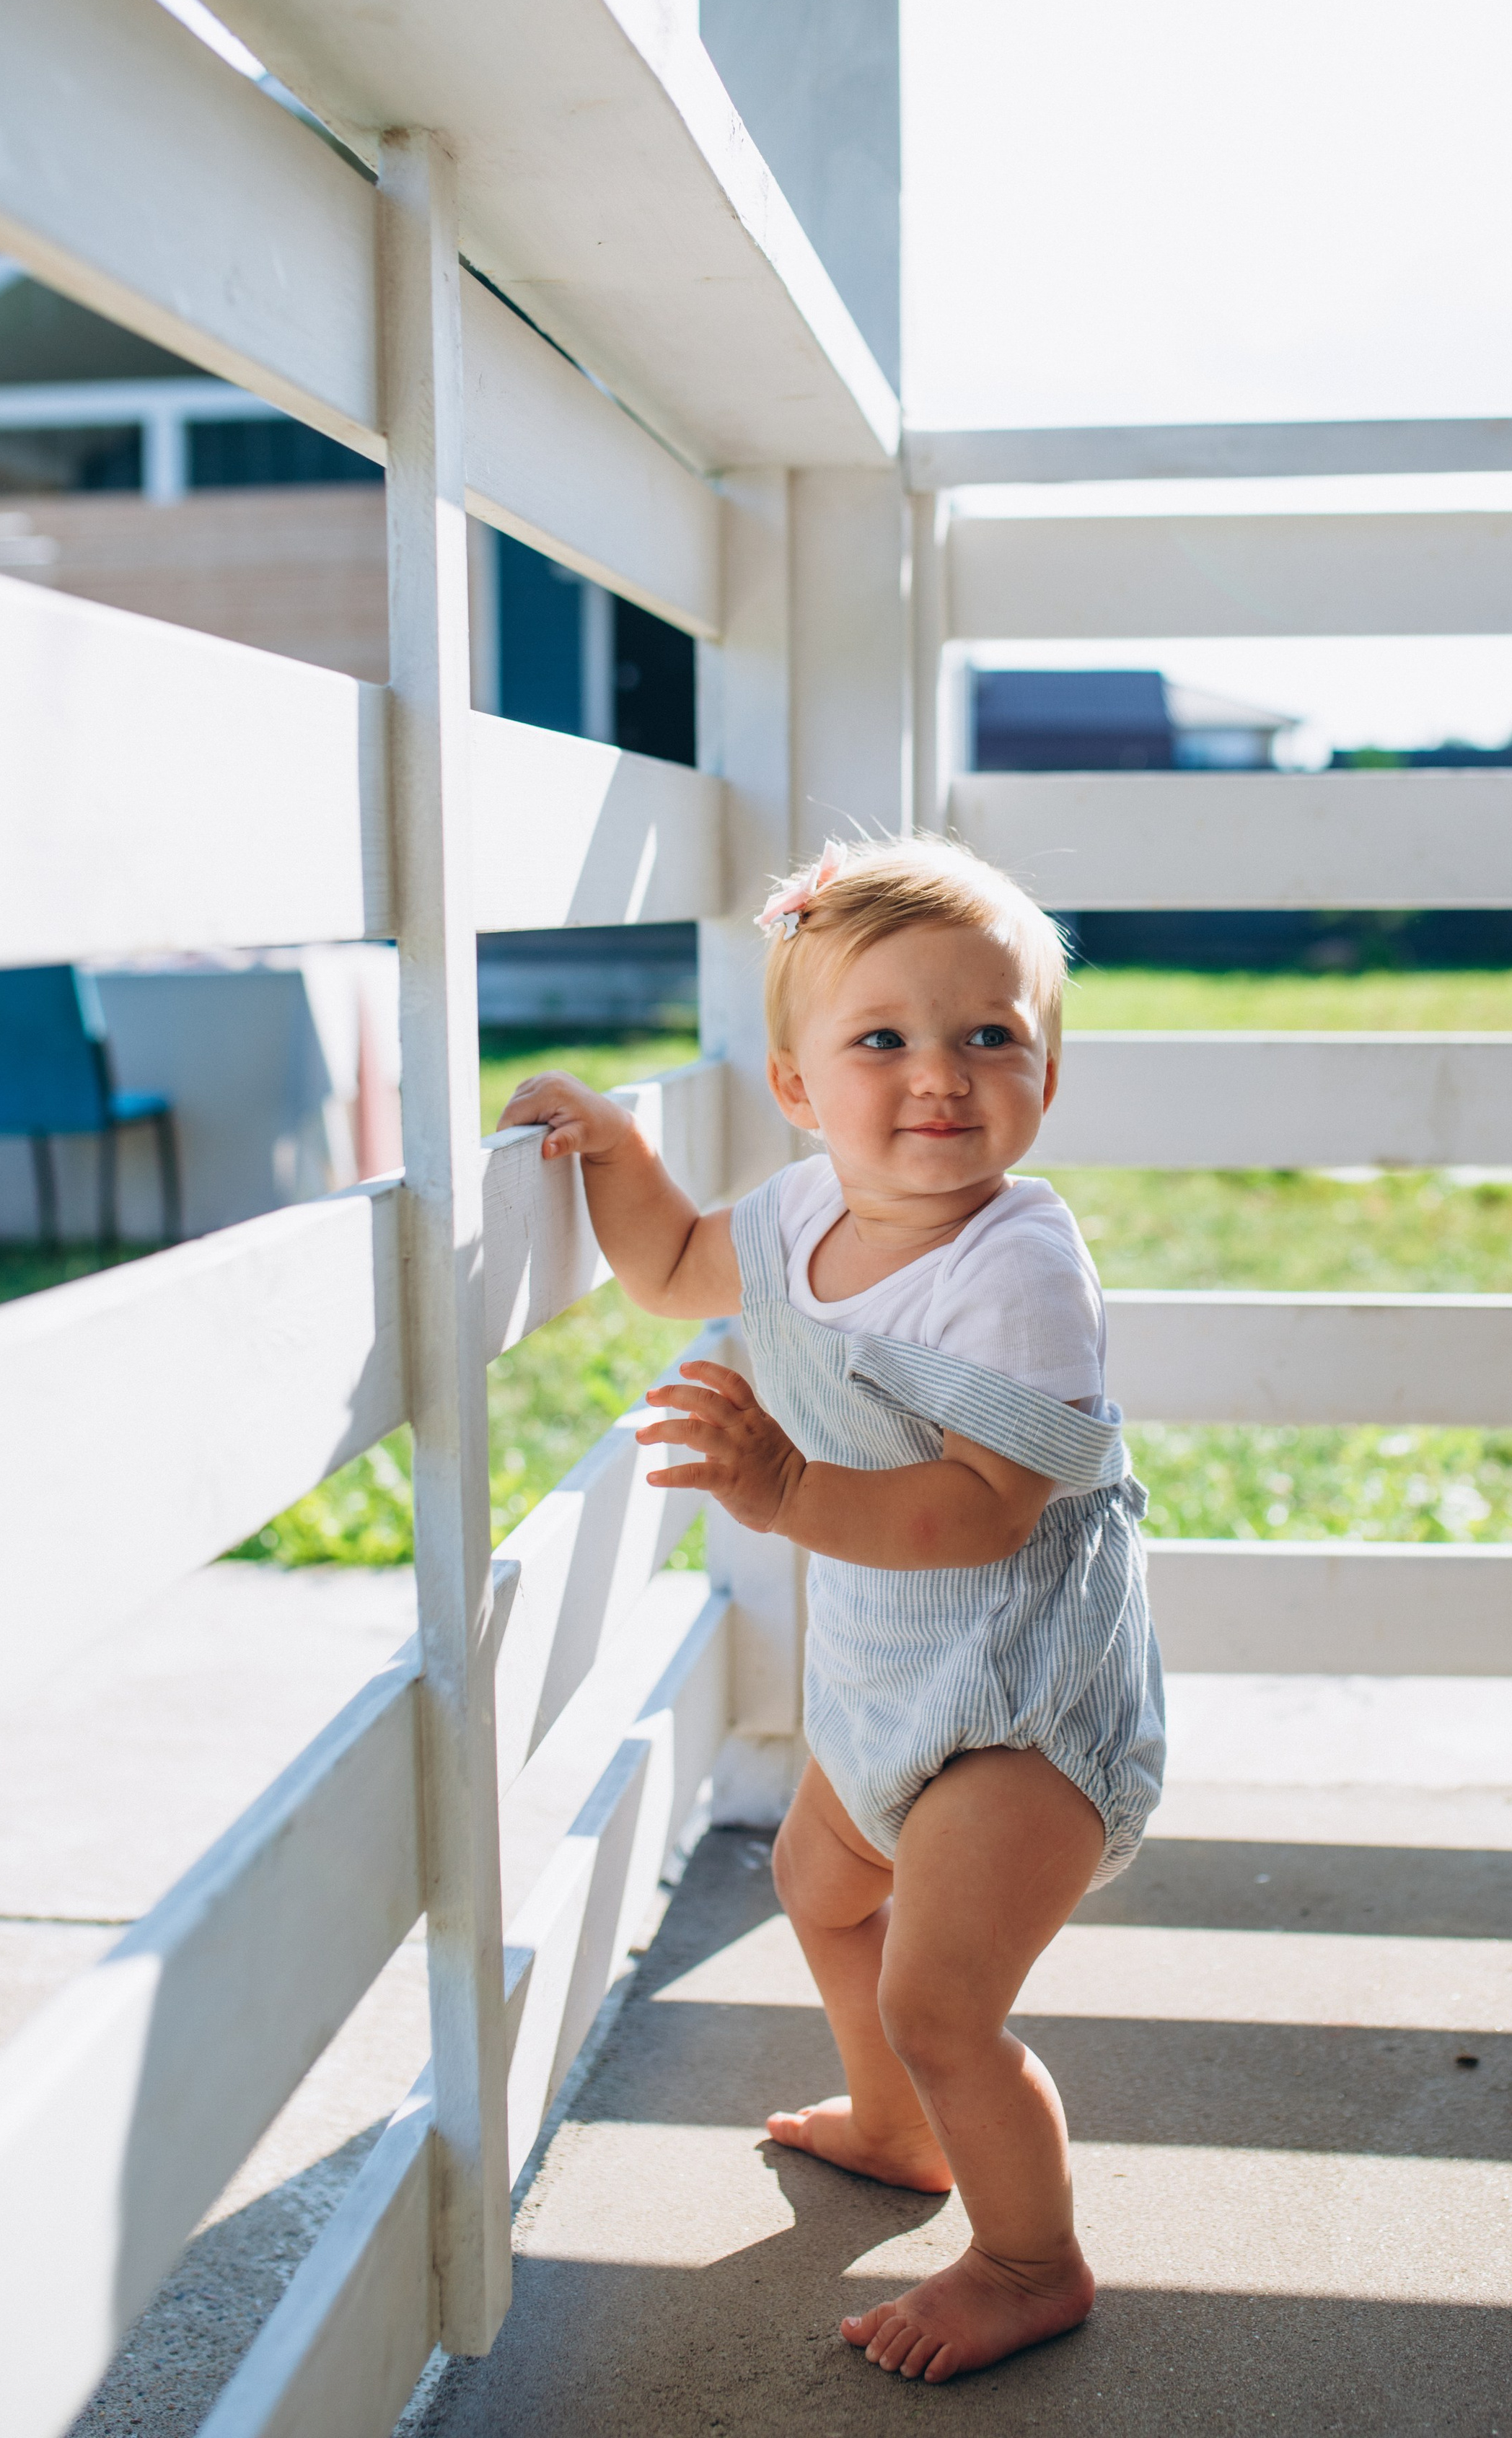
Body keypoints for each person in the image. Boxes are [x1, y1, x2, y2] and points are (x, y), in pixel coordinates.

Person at [498, 833, 1165, 2385]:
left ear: (1044, 1076)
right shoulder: (801, 1217)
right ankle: (889, 2123)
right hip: (890, 1684)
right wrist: (609, 1152)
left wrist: (786, 1489)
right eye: (881, 1040)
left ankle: (1025, 2257)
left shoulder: (1014, 1265)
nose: (938, 1074)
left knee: (946, 1998)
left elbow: (977, 1506)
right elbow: (670, 1264)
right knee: (819, 1885)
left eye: (987, 1036)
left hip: (1026, 1708)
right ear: (800, 1089)